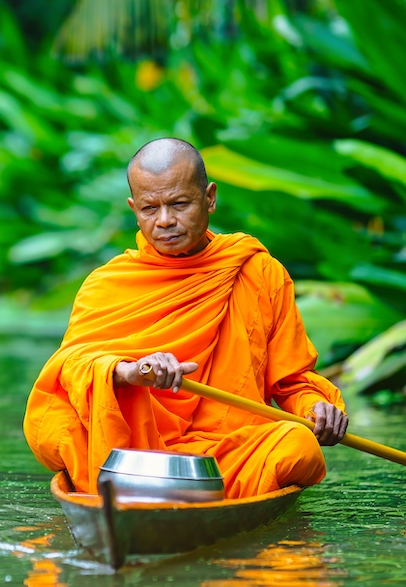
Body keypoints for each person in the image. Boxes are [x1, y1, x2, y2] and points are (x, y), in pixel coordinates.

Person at [23, 138, 348, 499]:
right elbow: (72, 367)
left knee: (299, 447)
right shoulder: (107, 283)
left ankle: (152, 495)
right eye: (150, 208)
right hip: (132, 451)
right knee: (55, 427)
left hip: (229, 451)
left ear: (209, 198)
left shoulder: (256, 271)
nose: (164, 221)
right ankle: (156, 493)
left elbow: (293, 380)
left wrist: (317, 410)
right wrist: (129, 372)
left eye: (179, 204)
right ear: (134, 208)